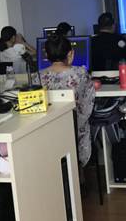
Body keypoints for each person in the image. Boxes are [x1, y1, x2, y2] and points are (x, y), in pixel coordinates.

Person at [40, 34, 95, 166]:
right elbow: (88, 104)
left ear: (46, 55)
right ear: (70, 53)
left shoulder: (38, 76)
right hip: (75, 135)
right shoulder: (80, 73)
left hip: (48, 136)